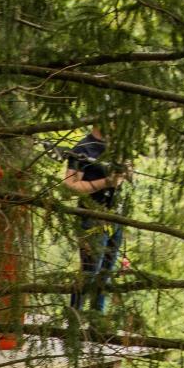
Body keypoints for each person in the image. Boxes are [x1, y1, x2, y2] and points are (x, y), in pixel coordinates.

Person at [63, 124, 131, 314]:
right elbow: (70, 185)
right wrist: (106, 182)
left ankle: (96, 322)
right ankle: (73, 322)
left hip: (115, 217)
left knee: (106, 274)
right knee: (89, 272)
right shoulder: (83, 148)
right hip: (91, 217)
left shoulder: (117, 146)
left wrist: (125, 173)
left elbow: (125, 175)